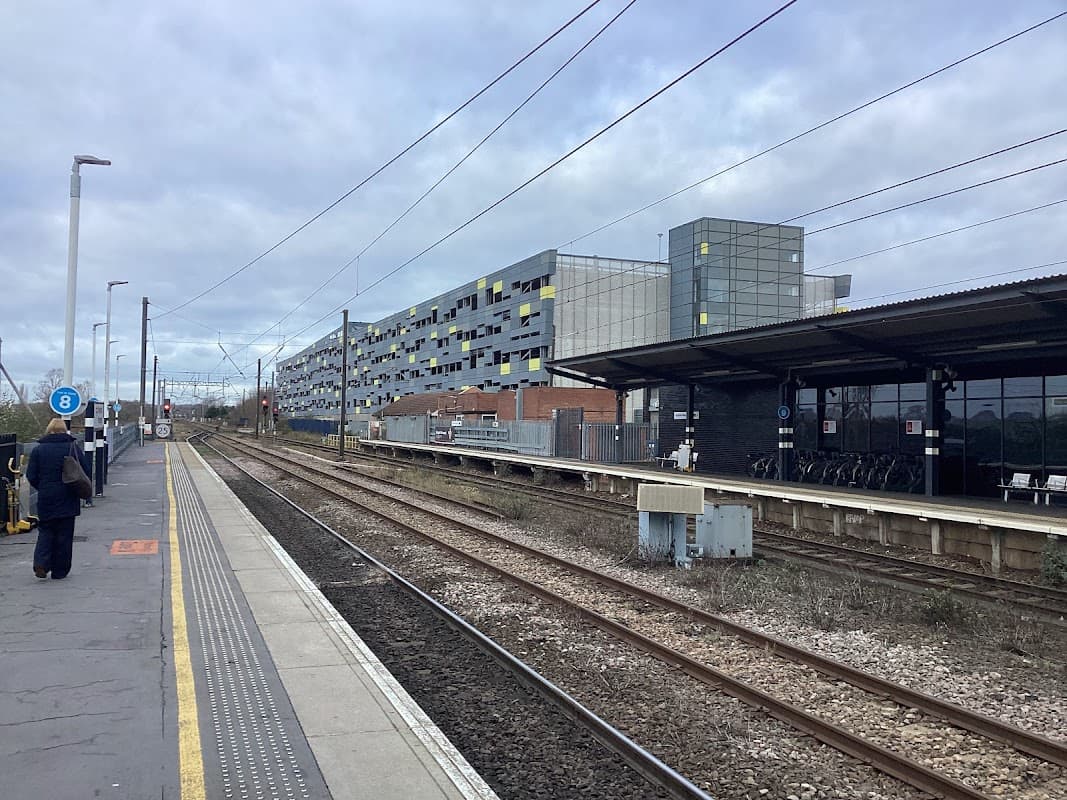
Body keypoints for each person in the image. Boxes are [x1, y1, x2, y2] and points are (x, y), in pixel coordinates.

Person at [25, 418, 91, 580]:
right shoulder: (72, 447)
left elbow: (31, 475)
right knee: (65, 534)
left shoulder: (38, 450)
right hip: (68, 495)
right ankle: (60, 571)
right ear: (64, 430)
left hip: (47, 496)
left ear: (49, 430)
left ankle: (41, 563)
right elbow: (85, 470)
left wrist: (43, 487)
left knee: (45, 531)